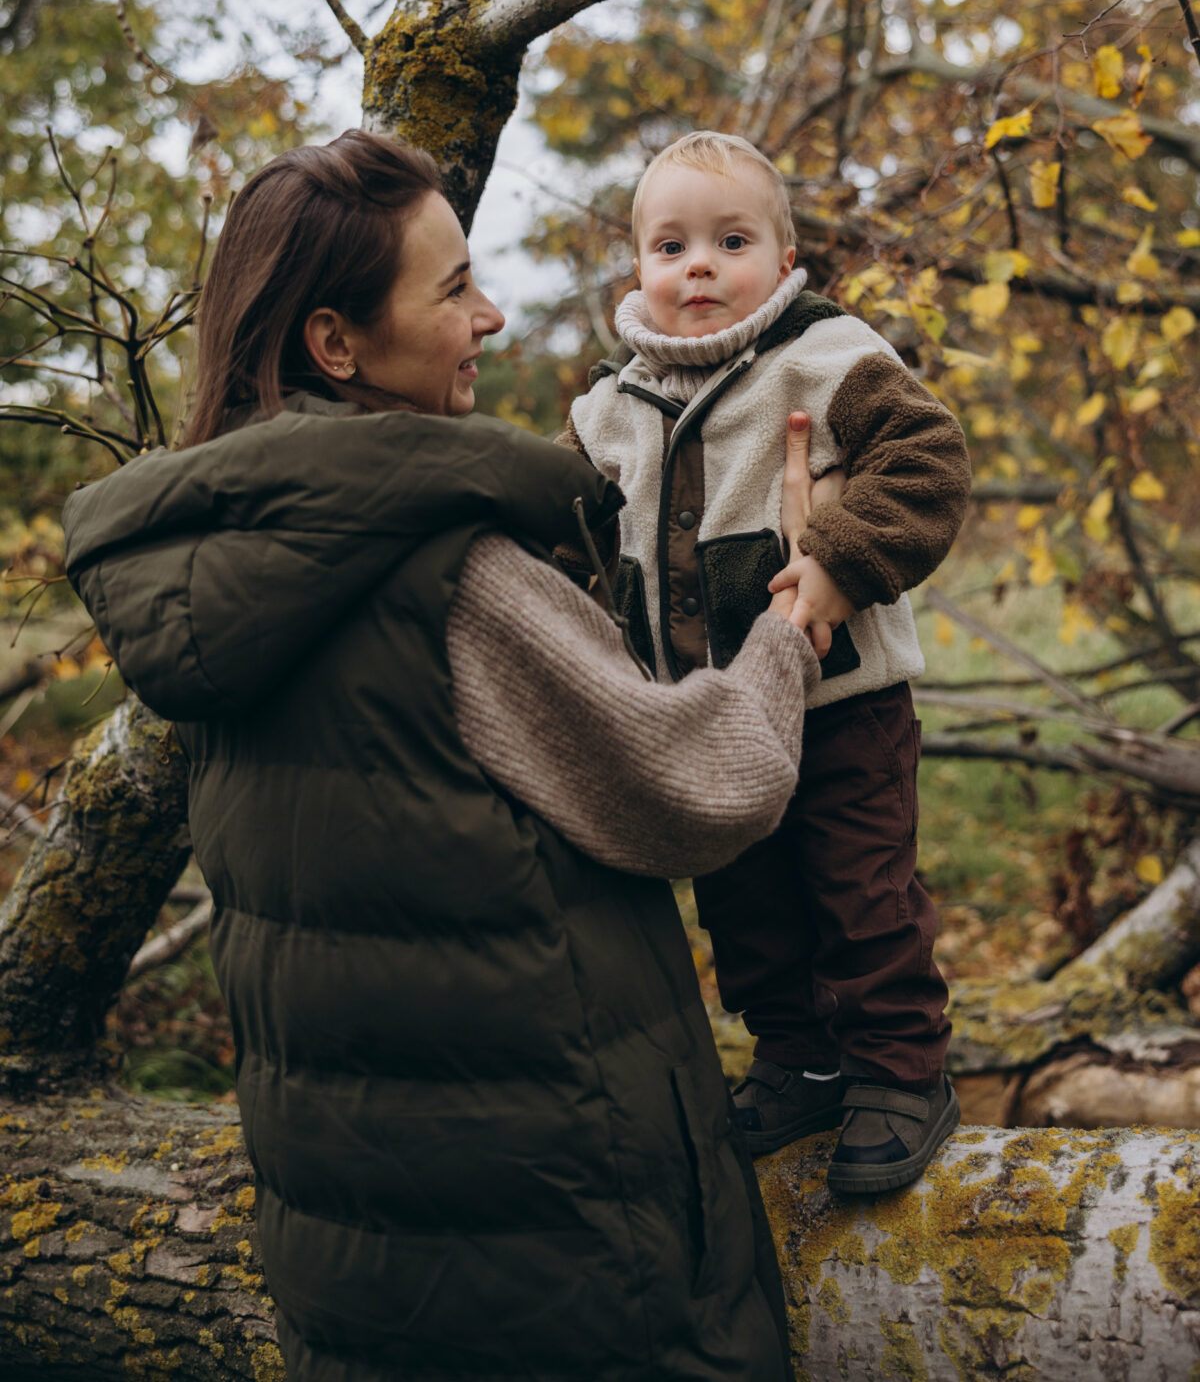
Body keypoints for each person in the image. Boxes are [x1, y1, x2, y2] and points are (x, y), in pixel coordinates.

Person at [62, 130, 828, 1382]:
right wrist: (794, 625)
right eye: (453, 288)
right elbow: (702, 785)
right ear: (336, 344)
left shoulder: (227, 576)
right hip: (570, 1279)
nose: (492, 315)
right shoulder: (455, 578)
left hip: (361, 1278)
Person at [562, 129, 973, 1197]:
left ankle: (899, 1069)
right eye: (670, 246)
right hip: (706, 717)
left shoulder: (823, 353)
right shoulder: (606, 411)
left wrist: (842, 558)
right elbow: (565, 544)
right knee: (744, 901)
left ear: (785, 262)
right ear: (639, 270)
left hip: (842, 706)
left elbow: (927, 459)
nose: (697, 265)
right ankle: (800, 1057)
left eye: (730, 239)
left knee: (858, 886)